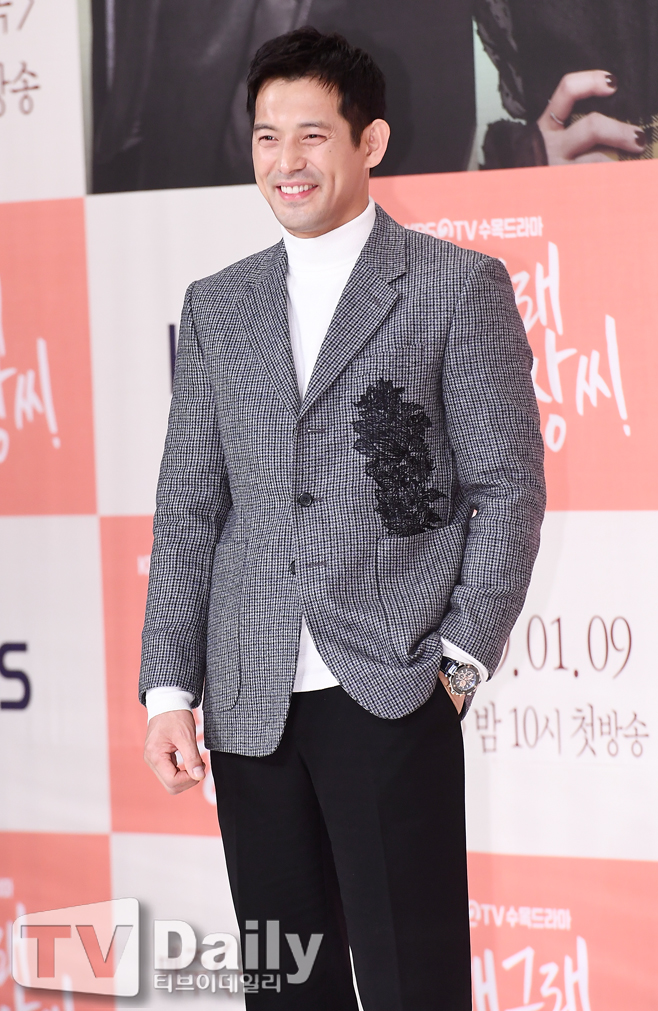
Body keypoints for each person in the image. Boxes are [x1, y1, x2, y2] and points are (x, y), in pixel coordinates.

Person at [140, 27, 546, 1010]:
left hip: (392, 689)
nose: (286, 160)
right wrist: (168, 690)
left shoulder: (454, 288)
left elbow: (507, 488)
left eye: (311, 134)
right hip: (250, 705)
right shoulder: (217, 306)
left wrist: (457, 664)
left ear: (370, 142)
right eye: (266, 136)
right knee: (286, 985)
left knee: (414, 985)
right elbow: (189, 509)